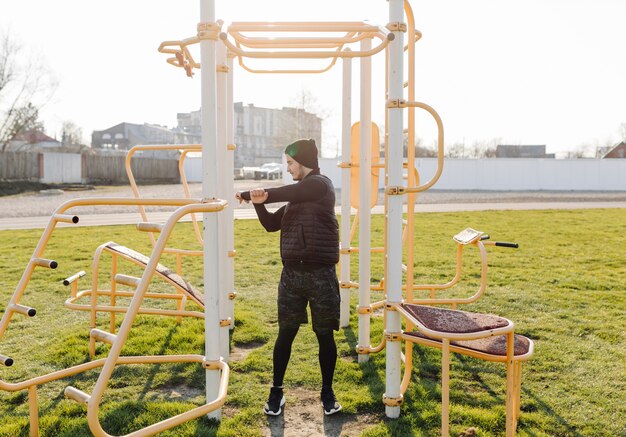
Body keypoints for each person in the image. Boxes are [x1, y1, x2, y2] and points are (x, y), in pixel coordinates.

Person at [235, 138, 342, 416]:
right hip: (292, 277)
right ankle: (276, 393)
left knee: (324, 335)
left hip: (321, 276)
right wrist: (258, 204)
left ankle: (327, 393)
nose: (288, 168)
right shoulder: (296, 200)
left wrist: (250, 192)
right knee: (286, 334)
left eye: (291, 163)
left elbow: (293, 191)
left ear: (304, 162)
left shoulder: (320, 185)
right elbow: (271, 225)